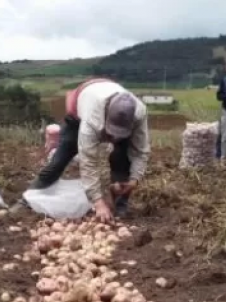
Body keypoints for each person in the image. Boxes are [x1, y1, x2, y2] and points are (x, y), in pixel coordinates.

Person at [11, 78, 151, 223]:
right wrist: (98, 202)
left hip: (107, 104)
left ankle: (120, 206)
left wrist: (135, 179)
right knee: (58, 161)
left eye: (119, 133)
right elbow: (88, 162)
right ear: (106, 116)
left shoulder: (139, 113)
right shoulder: (93, 114)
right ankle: (26, 200)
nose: (114, 137)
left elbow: (141, 151)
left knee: (122, 158)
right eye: (112, 132)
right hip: (78, 115)